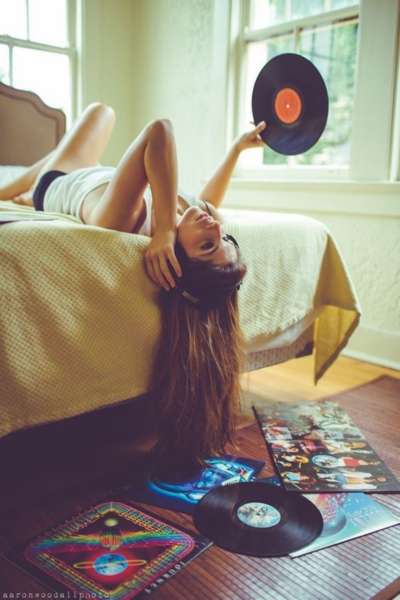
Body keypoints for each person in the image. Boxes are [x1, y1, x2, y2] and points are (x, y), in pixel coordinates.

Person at [1, 103, 267, 471]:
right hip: (103, 176)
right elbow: (209, 201)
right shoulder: (192, 221)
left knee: (101, 112)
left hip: (61, 181)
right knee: (92, 131)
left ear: (178, 259)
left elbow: (160, 129)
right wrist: (236, 150)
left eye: (208, 245)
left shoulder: (125, 220)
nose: (216, 226)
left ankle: (16, 189)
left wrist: (164, 227)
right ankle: (24, 185)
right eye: (224, 239)